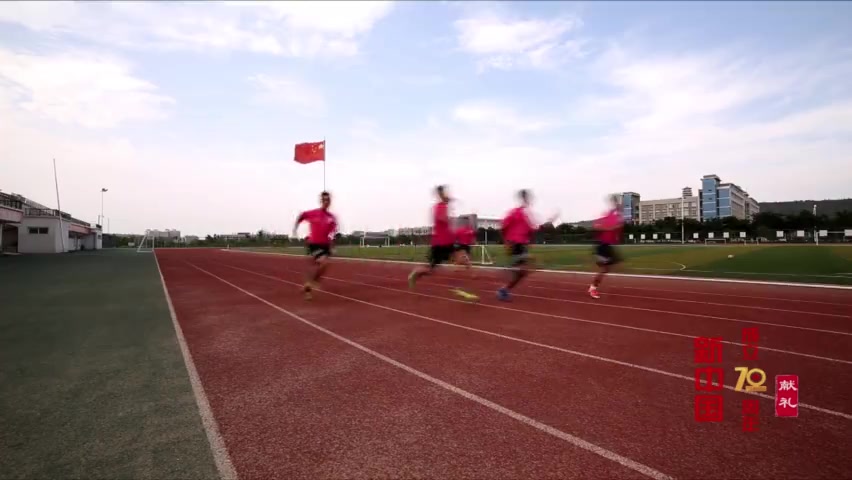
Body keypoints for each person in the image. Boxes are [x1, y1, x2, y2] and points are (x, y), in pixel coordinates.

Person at [408, 185, 478, 301]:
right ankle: (415, 273)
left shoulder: (443, 206)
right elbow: (442, 219)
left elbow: (446, 221)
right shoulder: (439, 207)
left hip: (448, 242)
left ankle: (467, 280)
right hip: (440, 244)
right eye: (445, 193)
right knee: (430, 270)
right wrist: (449, 215)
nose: (448, 195)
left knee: (461, 257)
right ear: (440, 194)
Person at [497, 189, 558, 301]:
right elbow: (502, 227)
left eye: (529, 198)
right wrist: (506, 242)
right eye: (526, 198)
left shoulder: (528, 215)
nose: (528, 200)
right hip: (515, 244)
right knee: (527, 267)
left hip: (522, 245)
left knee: (523, 272)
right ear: (522, 199)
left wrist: (548, 223)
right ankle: (508, 276)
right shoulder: (514, 212)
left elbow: (534, 229)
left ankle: (505, 286)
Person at [293, 191, 338, 300]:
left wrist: (332, 246)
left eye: (328, 200)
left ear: (330, 202)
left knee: (319, 267)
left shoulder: (331, 218)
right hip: (314, 244)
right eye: (324, 200)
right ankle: (312, 284)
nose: (326, 202)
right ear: (321, 201)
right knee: (324, 263)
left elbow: (333, 233)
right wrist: (295, 227)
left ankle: (308, 287)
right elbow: (301, 216)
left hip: (325, 245)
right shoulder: (313, 213)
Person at [589, 194, 624, 299]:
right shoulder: (608, 216)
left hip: (608, 245)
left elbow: (618, 225)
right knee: (604, 269)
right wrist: (609, 228)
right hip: (602, 245)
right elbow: (596, 226)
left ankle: (594, 285)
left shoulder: (616, 216)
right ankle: (593, 288)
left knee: (607, 268)